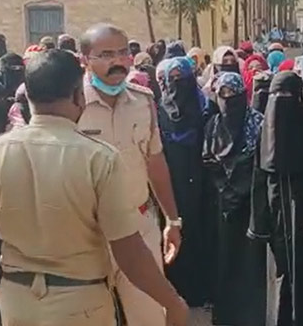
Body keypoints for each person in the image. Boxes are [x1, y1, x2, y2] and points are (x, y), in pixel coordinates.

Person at [0, 50, 188, 326]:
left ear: (28, 96)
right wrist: (171, 301)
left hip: (17, 300)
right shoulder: (99, 158)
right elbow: (128, 251)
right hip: (81, 303)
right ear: (78, 96)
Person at [78, 24, 183, 326]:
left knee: (150, 316)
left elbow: (155, 161)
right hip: (88, 232)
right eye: (106, 55)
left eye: (123, 53)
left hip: (139, 225)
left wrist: (172, 220)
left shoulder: (143, 101)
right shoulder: (72, 105)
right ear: (85, 60)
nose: (118, 61)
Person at [202, 72, 266, 325]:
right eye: (223, 95)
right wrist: (224, 187)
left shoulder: (258, 123)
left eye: (233, 94)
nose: (228, 100)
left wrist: (240, 186)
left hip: (251, 201)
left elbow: (262, 161)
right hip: (223, 203)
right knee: (226, 256)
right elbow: (208, 158)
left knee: (250, 259)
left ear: (243, 95)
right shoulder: (213, 125)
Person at [258, 71, 303, 325]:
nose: (281, 100)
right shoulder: (265, 128)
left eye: (287, 94)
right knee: (279, 271)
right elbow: (259, 174)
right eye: (277, 94)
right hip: (276, 209)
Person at [158, 57, 208, 307]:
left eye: (181, 77)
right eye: (172, 78)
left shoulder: (205, 107)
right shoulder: (157, 111)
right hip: (169, 183)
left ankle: (199, 291)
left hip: (201, 183)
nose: (177, 83)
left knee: (198, 235)